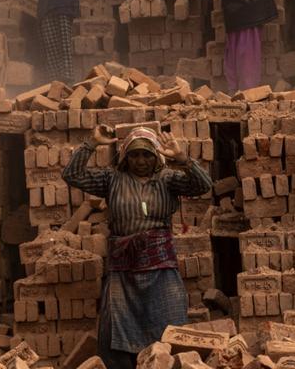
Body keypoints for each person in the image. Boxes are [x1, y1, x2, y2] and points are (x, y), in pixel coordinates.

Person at [62, 125, 212, 369]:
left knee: (169, 326)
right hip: (124, 269)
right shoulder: (111, 179)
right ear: (125, 156)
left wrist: (183, 158)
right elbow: (72, 175)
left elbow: (203, 185)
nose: (140, 161)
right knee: (118, 331)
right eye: (134, 155)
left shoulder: (168, 179)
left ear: (156, 156)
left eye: (147, 155)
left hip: (160, 266)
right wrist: (92, 143)